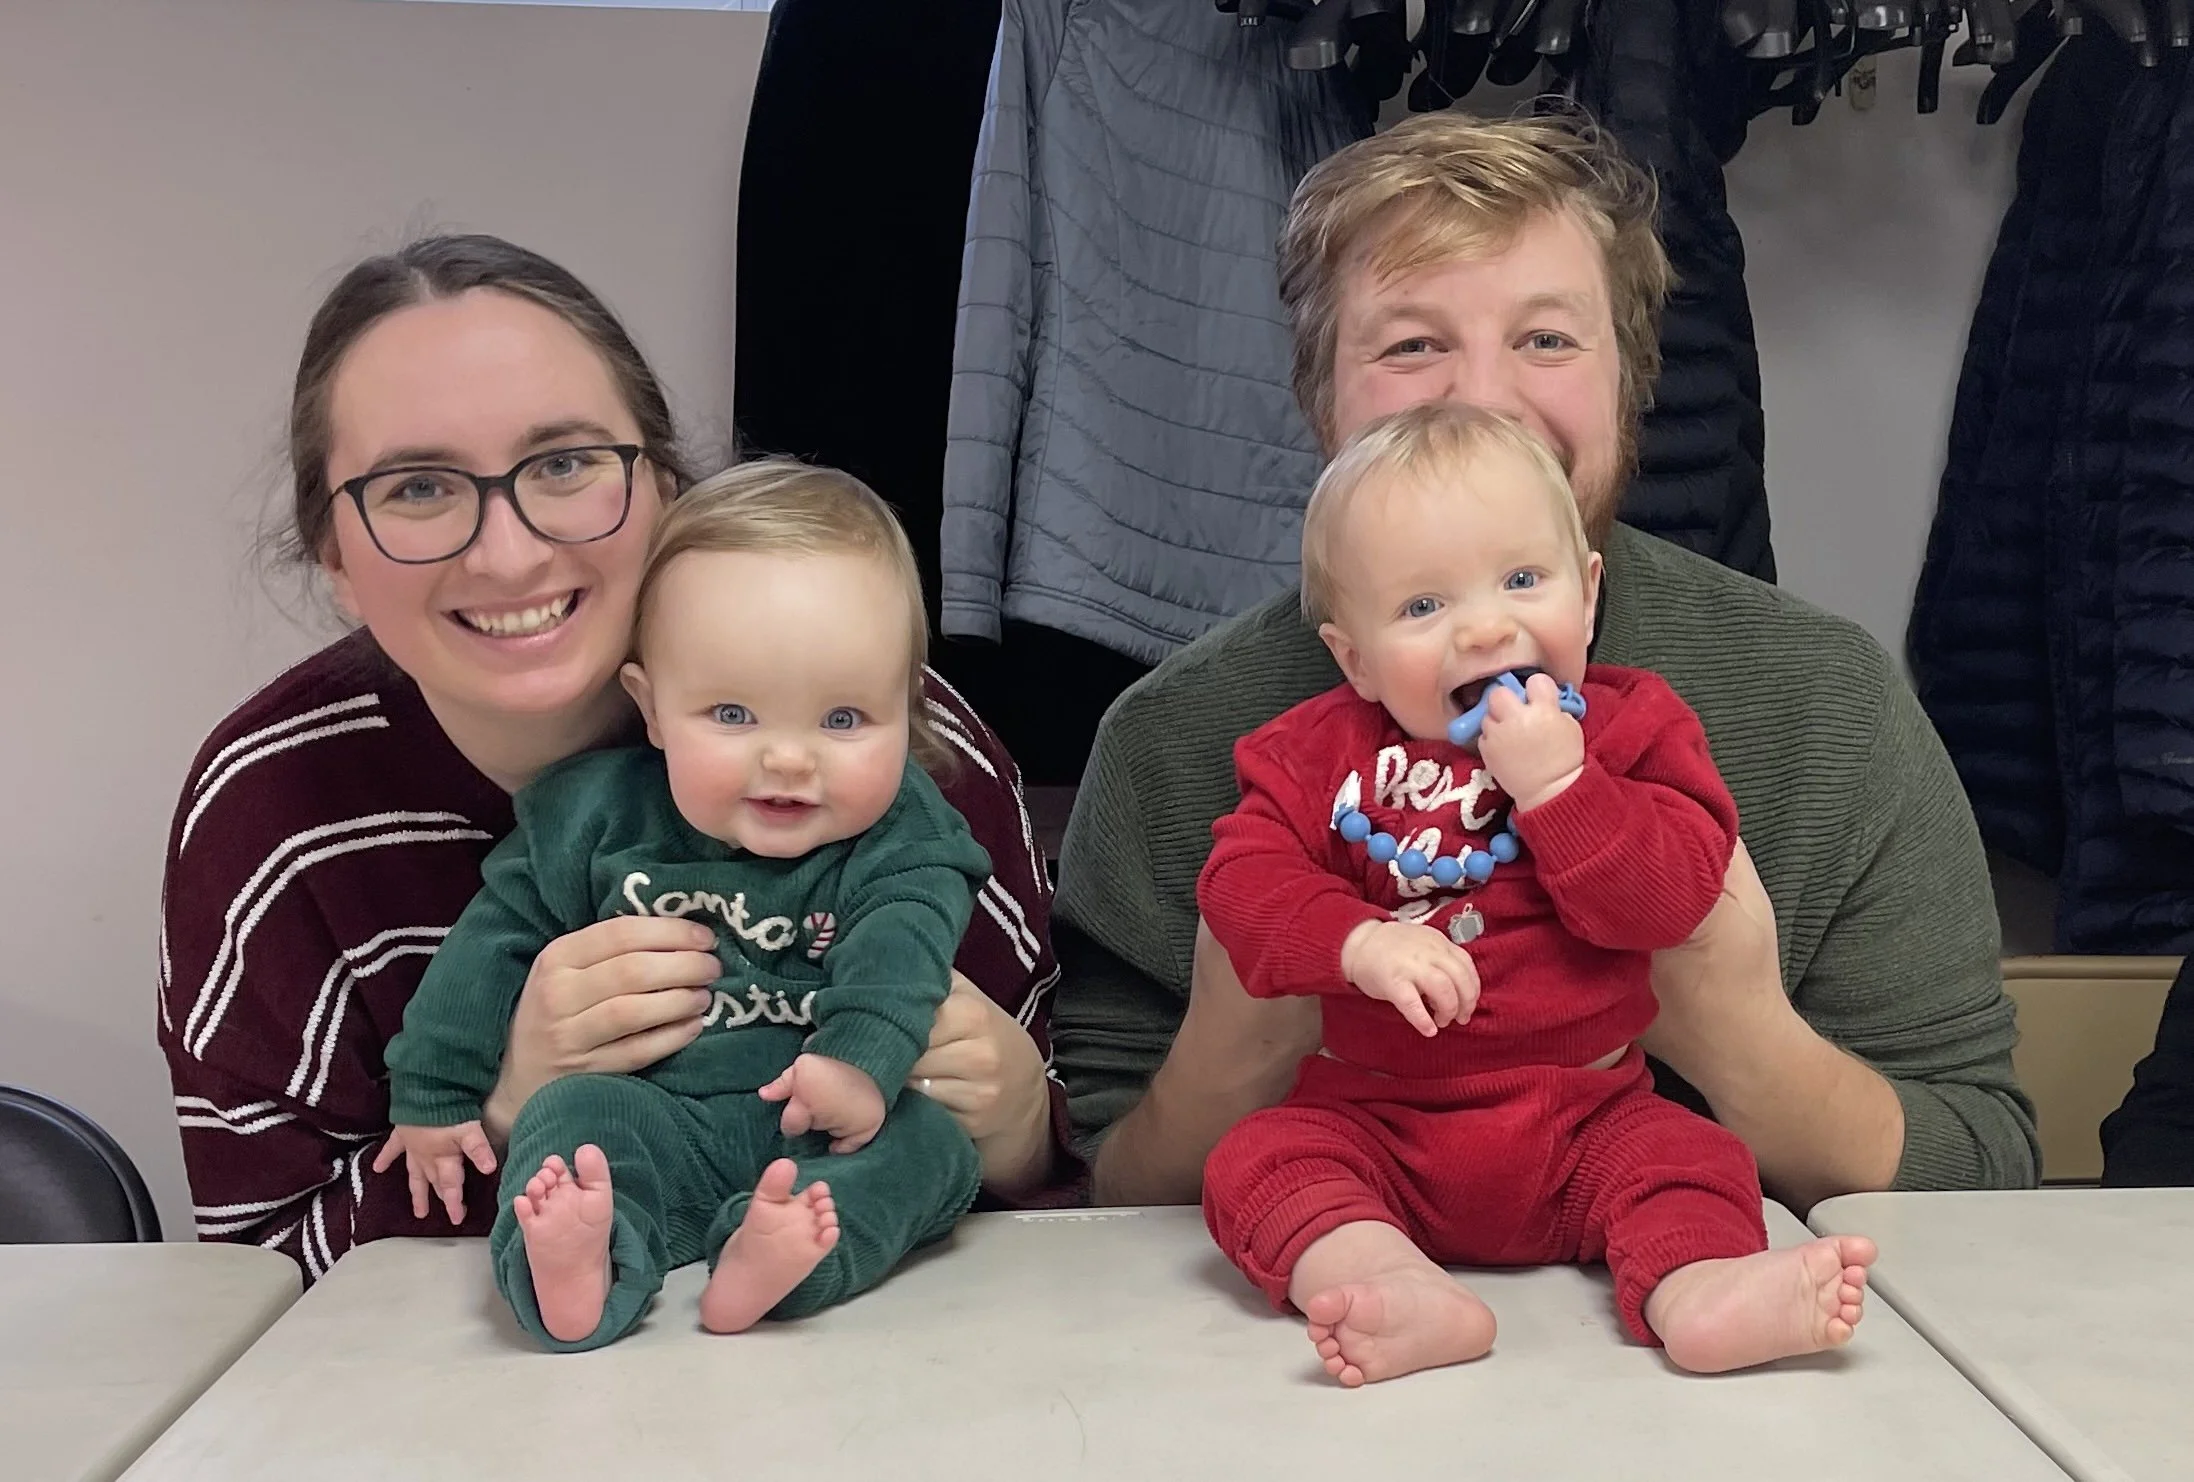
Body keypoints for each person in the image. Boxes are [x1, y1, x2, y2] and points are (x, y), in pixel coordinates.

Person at [1053, 110, 2039, 1217]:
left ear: (1631, 386)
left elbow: (1984, 1166)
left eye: (1546, 340)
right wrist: (1239, 1047)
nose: (1484, 397)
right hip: (1307, 1343)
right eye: (1412, 344)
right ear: (1318, 400)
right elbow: (1095, 1191)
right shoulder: (1173, 740)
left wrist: (1739, 1037)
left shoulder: (1826, 709)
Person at [160, 236, 1071, 1284]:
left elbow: (1064, 1213)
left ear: (666, 490)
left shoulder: (900, 740)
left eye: (563, 464)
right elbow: (255, 1271)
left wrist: (1021, 1133)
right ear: (335, 561)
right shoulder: (270, 809)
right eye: (417, 488)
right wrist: (504, 1109)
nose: (507, 552)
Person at [1199, 403, 1874, 1385]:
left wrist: (1562, 791)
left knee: (1694, 1161)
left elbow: (1673, 896)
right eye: (1423, 608)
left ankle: (1698, 1293)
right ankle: (1393, 1284)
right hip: (1378, 1118)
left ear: (1587, 597)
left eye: (1522, 580)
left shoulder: (1633, 730)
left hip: (1590, 1114)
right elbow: (1241, 885)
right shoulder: (1312, 756)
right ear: (1353, 659)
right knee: (1255, 1162)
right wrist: (1356, 943)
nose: (1486, 625)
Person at [378, 462, 991, 1349]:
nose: (789, 759)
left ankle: (783, 1258)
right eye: (734, 714)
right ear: (652, 707)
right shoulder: (593, 814)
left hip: (821, 1120)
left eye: (845, 720)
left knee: (934, 1150)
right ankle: (577, 1268)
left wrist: (857, 1066)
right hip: (652, 1113)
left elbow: (906, 938)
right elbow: (491, 942)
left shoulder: (904, 832)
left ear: (908, 708)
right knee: (565, 1122)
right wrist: (434, 1092)